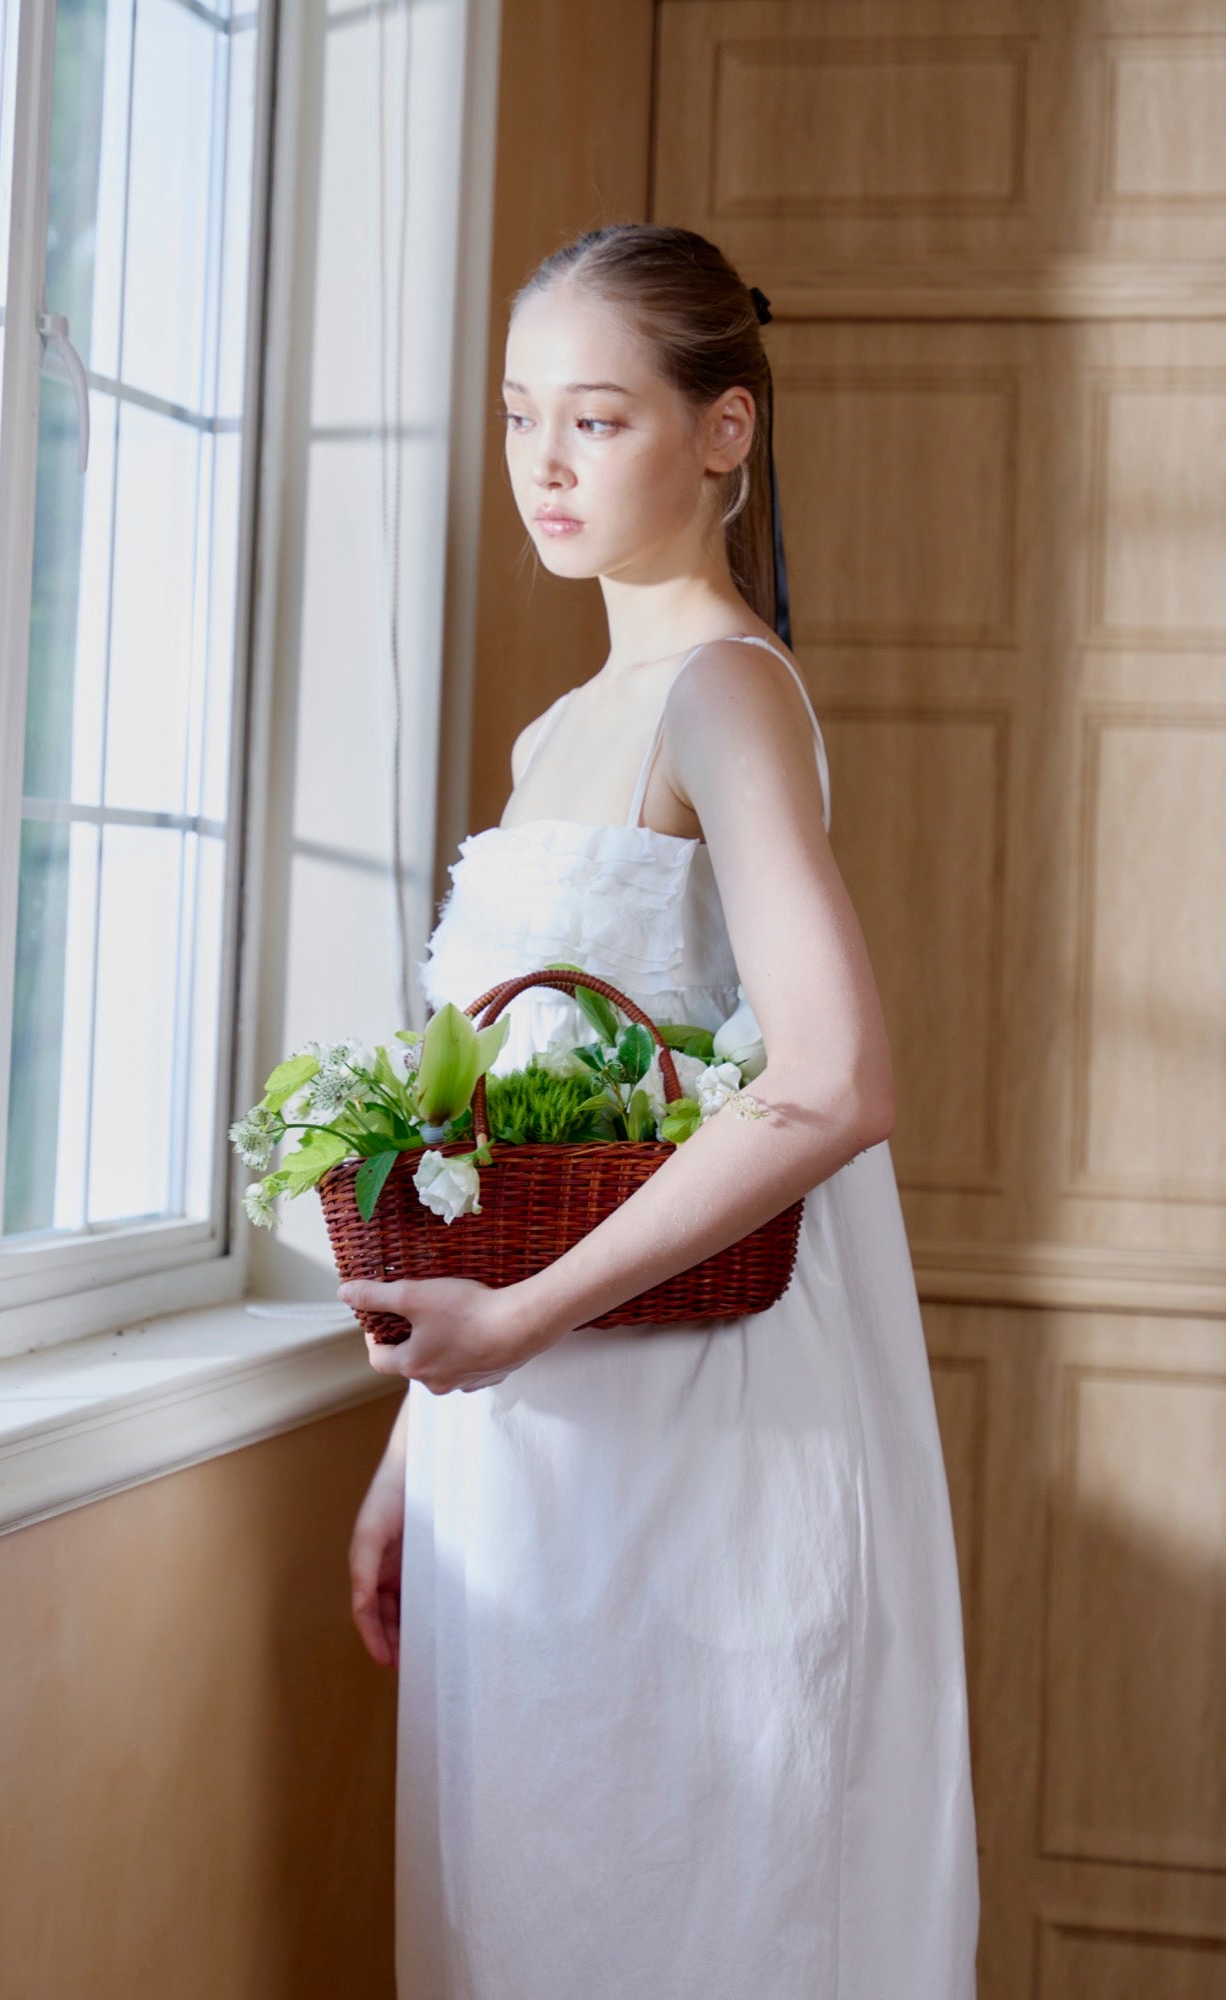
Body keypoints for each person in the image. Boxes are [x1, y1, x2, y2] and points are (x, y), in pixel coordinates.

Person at [342, 222, 980, 1998]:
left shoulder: (721, 691)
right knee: (534, 1903)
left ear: (721, 432)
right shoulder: (562, 728)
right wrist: (417, 1449)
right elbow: (519, 1143)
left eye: (597, 420)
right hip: (528, 1443)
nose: (543, 465)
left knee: (684, 1904)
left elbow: (836, 1077)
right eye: (517, 415)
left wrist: (519, 1322)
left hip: (693, 1424)